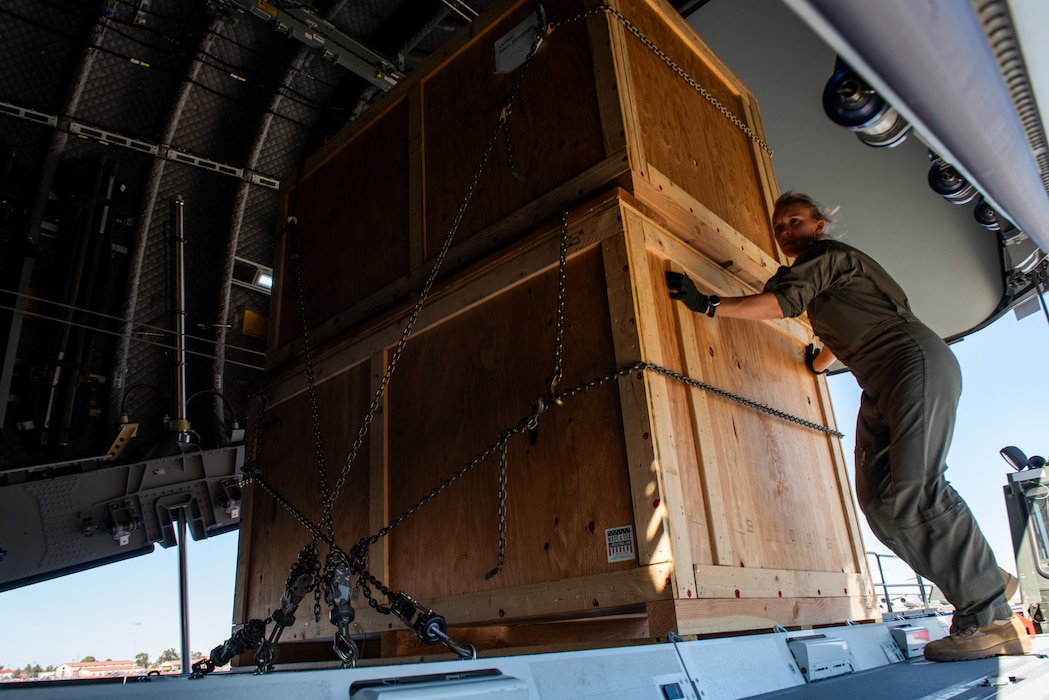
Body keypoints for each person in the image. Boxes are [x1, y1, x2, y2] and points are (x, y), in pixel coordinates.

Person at [666, 192, 1031, 662]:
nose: (784, 232)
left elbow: (782, 302)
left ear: (819, 225)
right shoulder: (829, 283)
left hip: (909, 361)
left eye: (793, 221)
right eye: (778, 227)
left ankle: (991, 618)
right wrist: (818, 366)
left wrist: (711, 305)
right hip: (878, 382)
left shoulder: (827, 256)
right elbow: (833, 342)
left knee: (915, 490)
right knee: (879, 504)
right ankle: (987, 578)